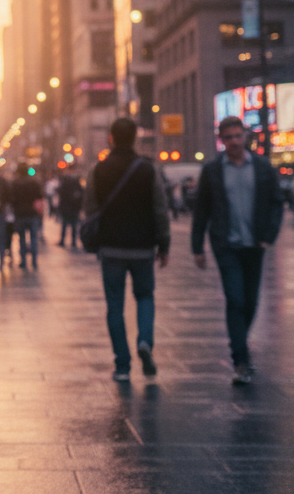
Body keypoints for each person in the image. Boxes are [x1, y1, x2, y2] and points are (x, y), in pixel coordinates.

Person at [191, 116, 283, 386]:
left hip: (255, 244)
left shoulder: (263, 167)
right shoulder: (212, 170)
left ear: (245, 136)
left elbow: (277, 203)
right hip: (226, 244)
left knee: (251, 301)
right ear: (221, 140)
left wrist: (269, 235)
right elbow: (202, 210)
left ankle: (241, 345)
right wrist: (197, 247)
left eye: (237, 136)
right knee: (235, 299)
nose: (233, 141)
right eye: (228, 137)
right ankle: (240, 359)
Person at [84, 119, 170, 381]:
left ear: (111, 137)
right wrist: (163, 244)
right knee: (145, 297)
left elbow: (89, 209)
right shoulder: (147, 169)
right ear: (134, 138)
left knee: (114, 306)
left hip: (111, 248)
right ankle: (144, 341)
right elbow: (160, 209)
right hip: (143, 248)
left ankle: (122, 365)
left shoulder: (99, 170)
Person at [7, 168, 43, 268]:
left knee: (21, 238)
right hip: (32, 213)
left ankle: (23, 261)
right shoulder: (34, 183)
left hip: (20, 214)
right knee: (34, 238)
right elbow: (39, 196)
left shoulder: (15, 184)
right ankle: (34, 261)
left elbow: (11, 199)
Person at [56, 174, 84, 248]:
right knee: (74, 225)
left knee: (65, 224)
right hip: (74, 208)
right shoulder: (77, 186)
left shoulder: (64, 186)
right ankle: (73, 241)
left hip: (66, 208)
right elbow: (81, 196)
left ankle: (63, 240)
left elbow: (60, 196)